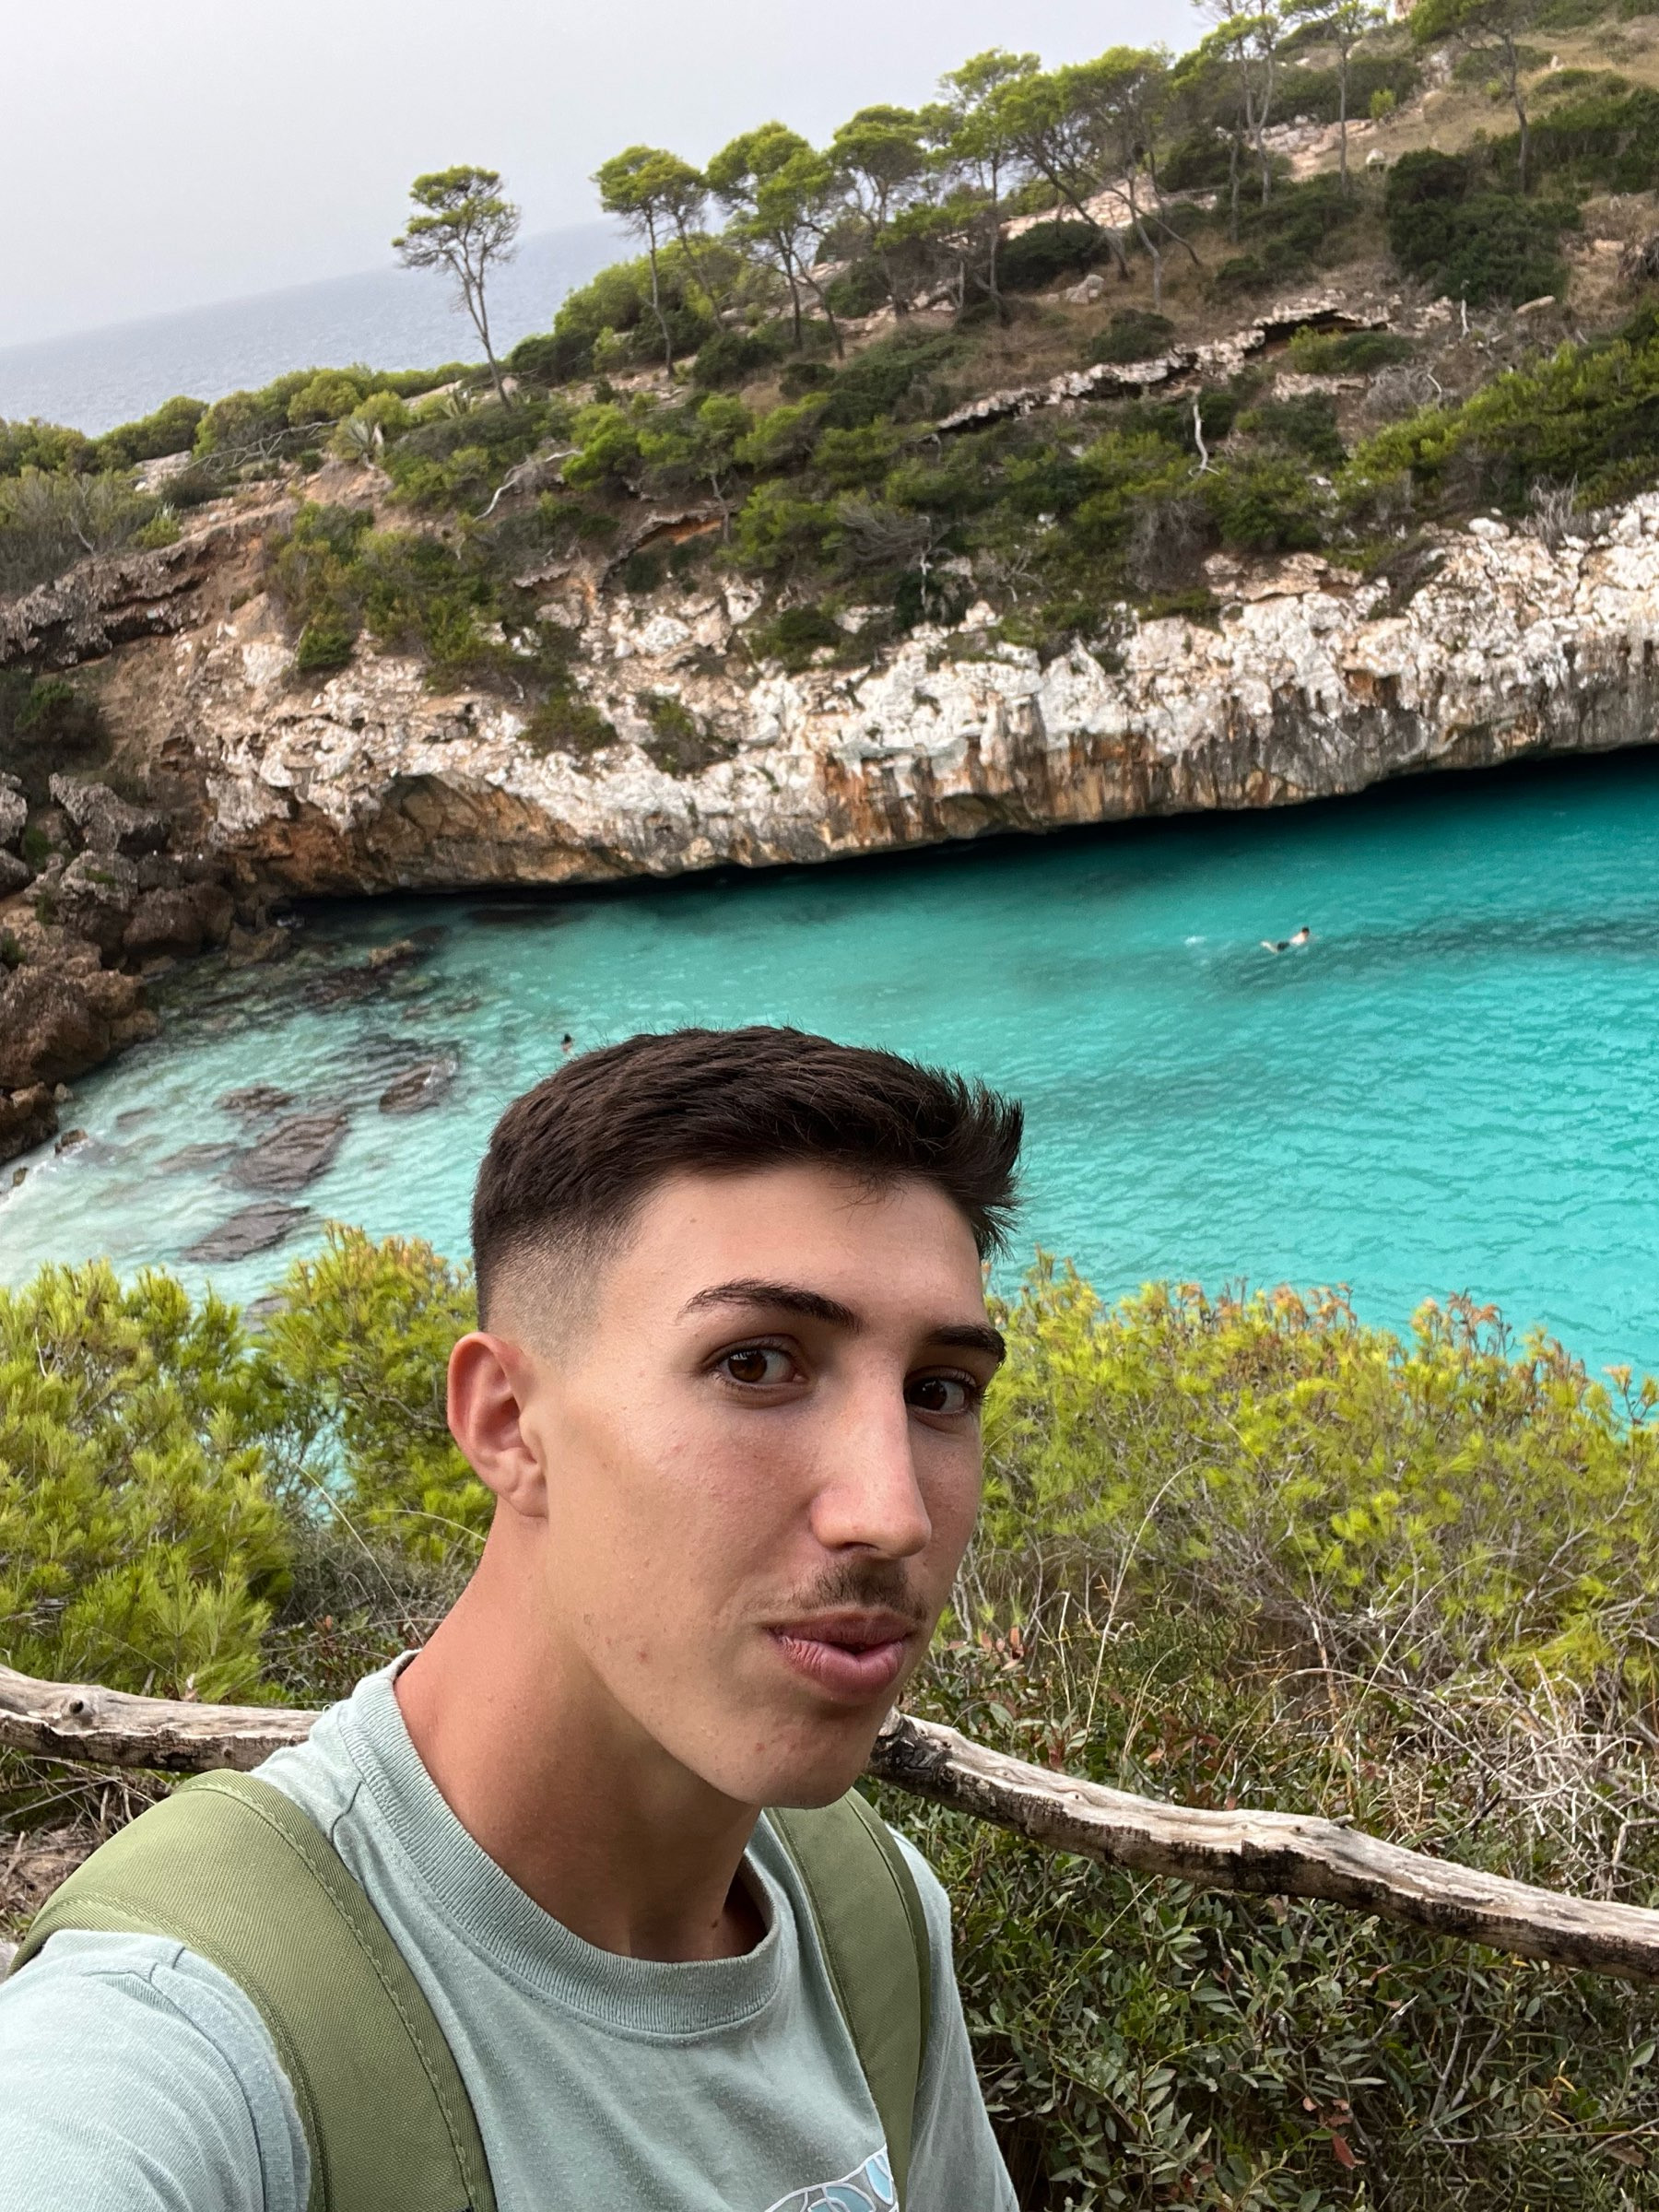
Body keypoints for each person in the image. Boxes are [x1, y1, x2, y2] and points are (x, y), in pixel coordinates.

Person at [0, 1026, 1024, 2212]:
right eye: (756, 1365)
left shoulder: (868, 1917)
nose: (892, 1514)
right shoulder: (185, 2036)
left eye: (939, 1391)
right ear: (504, 1423)